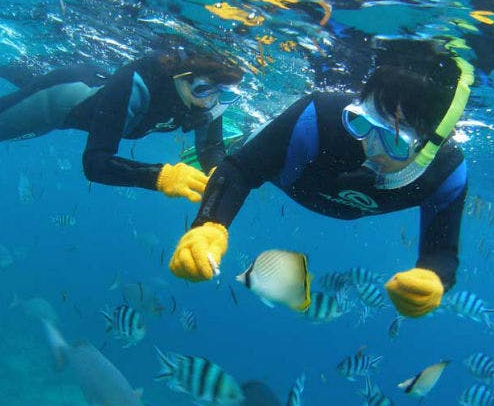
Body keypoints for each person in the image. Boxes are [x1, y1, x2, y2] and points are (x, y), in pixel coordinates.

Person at [168, 39, 473, 318]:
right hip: (282, 174)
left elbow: (441, 253)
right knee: (241, 152)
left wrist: (431, 279)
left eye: (394, 141)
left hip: (311, 186)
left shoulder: (446, 173)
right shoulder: (319, 116)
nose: (370, 147)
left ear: (429, 147)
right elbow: (240, 170)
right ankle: (236, 135)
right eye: (361, 123)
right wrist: (208, 226)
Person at [0, 47, 244, 202]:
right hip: (60, 100)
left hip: (94, 93)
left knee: (30, 80)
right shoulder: (140, 82)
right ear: (179, 78)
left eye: (221, 94)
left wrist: (219, 178)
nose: (210, 102)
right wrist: (160, 176)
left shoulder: (208, 103)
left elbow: (211, 148)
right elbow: (95, 164)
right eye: (202, 90)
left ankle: (0, 69)